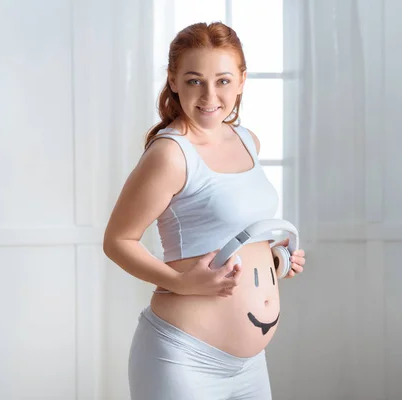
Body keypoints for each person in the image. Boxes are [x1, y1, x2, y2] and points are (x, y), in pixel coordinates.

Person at [103, 21, 306, 400]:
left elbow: (227, 234)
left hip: (250, 365)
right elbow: (117, 240)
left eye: (224, 80)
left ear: (242, 81)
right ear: (174, 80)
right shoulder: (170, 153)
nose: (210, 95)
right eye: (195, 80)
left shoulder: (248, 140)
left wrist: (275, 260)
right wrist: (179, 282)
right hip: (183, 360)